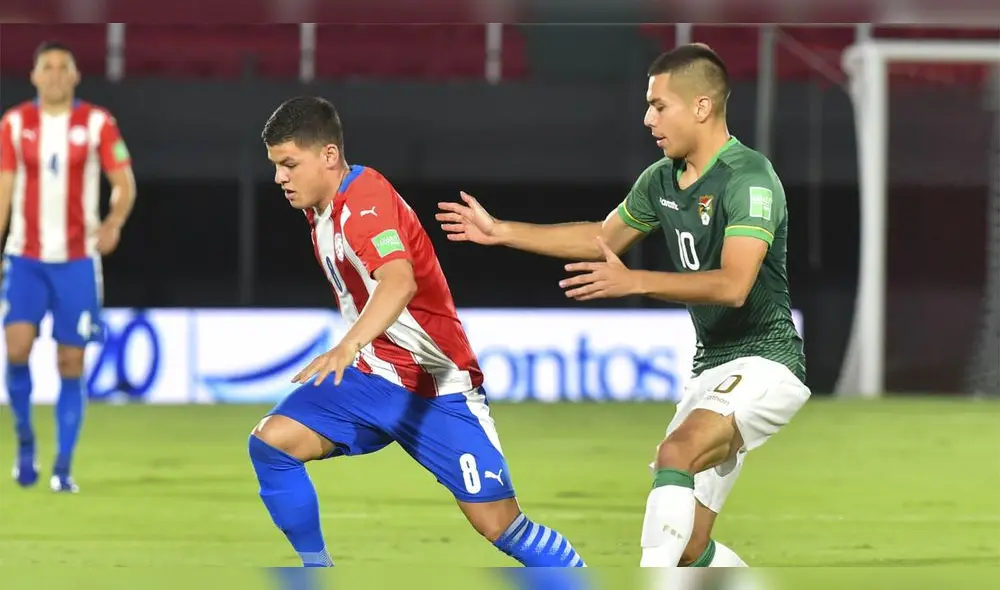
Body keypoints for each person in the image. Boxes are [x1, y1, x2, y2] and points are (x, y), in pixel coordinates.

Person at [437, 44, 810, 567]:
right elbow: (601, 239)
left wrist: (634, 281)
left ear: (701, 107)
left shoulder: (748, 177)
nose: (647, 118)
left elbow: (734, 285)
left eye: (660, 106)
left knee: (674, 455)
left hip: (767, 360)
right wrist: (501, 231)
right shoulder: (661, 179)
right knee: (690, 548)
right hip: (712, 366)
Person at [250, 96, 585, 568]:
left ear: (328, 156)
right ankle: (316, 573)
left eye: (288, 164)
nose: (279, 178)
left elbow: (399, 280)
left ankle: (579, 579)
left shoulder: (364, 203)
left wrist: (347, 345)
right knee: (271, 442)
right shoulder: (321, 209)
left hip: (436, 388)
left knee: (502, 527)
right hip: (373, 378)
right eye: (276, 166)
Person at [0, 41, 136, 493]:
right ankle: (24, 442)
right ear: (34, 76)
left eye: (64, 66)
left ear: (76, 76)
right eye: (47, 67)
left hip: (77, 261)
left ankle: (62, 465)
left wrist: (114, 220)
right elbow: (4, 190)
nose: (55, 74)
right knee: (16, 349)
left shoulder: (98, 123)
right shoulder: (15, 124)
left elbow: (124, 183)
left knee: (71, 361)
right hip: (25, 257)